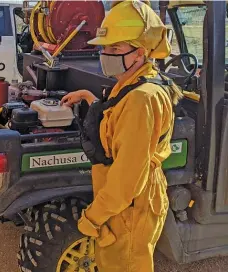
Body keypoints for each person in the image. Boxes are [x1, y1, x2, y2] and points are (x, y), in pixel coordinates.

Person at [60, 1, 183, 271]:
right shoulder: (131, 83)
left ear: (139, 53)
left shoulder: (142, 98)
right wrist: (88, 98)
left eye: (115, 48)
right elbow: (115, 119)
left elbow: (127, 179)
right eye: (105, 47)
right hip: (123, 205)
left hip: (128, 208)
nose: (106, 53)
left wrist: (92, 218)